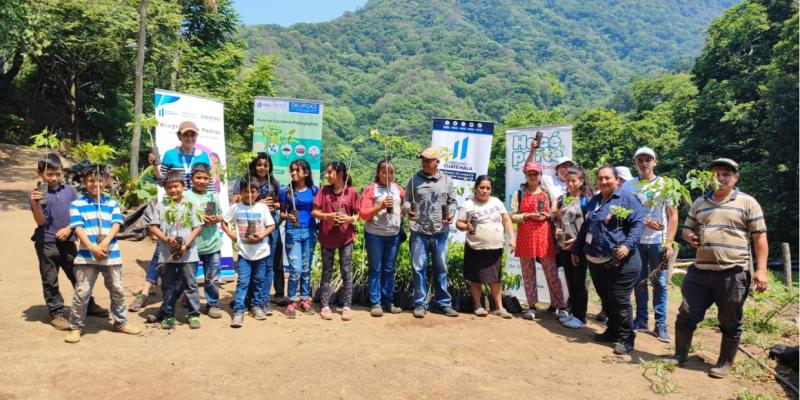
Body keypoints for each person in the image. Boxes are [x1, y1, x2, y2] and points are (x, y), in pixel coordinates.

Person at [665, 158, 768, 378]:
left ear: (735, 177)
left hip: (733, 272)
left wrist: (761, 270)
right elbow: (687, 229)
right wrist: (689, 236)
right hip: (700, 271)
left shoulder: (748, 203)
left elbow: (759, 238)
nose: (720, 179)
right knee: (686, 313)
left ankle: (724, 362)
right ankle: (680, 354)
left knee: (730, 320)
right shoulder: (699, 202)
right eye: (715, 175)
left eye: (725, 174)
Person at [130, 120, 214, 311]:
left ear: (196, 137)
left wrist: (206, 209)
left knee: (191, 252)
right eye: (186, 134)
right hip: (173, 207)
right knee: (161, 250)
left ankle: (185, 293)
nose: (189, 138)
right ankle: (145, 292)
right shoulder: (170, 155)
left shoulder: (203, 156)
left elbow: (207, 185)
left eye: (192, 134)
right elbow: (162, 181)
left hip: (193, 207)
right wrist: (155, 165)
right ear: (179, 136)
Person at [571, 165, 644, 355]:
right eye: (600, 178)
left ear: (617, 180)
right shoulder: (595, 200)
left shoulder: (627, 199)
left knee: (619, 299)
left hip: (622, 262)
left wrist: (627, 245)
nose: (603, 181)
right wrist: (576, 249)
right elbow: (586, 227)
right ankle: (613, 331)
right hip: (597, 261)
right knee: (607, 298)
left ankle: (627, 339)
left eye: (607, 178)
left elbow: (637, 225)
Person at [30, 153, 108, 330]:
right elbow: (40, 222)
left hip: (69, 240)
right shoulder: (37, 194)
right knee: (50, 278)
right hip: (46, 241)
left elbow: (78, 214)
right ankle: (56, 312)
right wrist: (35, 203)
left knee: (77, 274)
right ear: (40, 173)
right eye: (49, 174)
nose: (53, 178)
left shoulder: (70, 190)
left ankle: (88, 304)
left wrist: (69, 229)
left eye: (57, 174)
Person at [65, 166, 141, 343]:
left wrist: (105, 243)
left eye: (100, 180)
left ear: (106, 182)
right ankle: (75, 327)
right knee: (82, 292)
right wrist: (93, 247)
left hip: (111, 255)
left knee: (117, 290)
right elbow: (78, 228)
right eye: (91, 180)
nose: (95, 184)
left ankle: (121, 322)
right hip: (86, 256)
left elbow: (116, 224)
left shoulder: (112, 204)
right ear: (85, 182)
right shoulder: (77, 204)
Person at [621, 147, 678, 343]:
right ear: (635, 163)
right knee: (639, 281)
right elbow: (623, 211)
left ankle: (660, 323)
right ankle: (641, 319)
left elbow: (673, 215)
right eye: (640, 160)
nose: (644, 163)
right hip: (636, 241)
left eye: (648, 159)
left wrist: (669, 243)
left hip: (657, 242)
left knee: (659, 283)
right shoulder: (628, 186)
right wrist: (644, 221)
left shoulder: (665, 184)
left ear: (655, 162)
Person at [404, 147, 458, 318]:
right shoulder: (413, 180)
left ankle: (443, 303)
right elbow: (406, 201)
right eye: (423, 160)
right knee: (418, 268)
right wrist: (408, 210)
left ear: (437, 162)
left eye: (428, 160)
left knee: (441, 268)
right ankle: (420, 304)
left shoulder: (447, 180)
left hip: (440, 231)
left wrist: (451, 214)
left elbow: (453, 202)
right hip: (419, 231)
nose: (424, 163)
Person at [510, 161, 568, 320]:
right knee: (528, 274)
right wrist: (528, 215)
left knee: (552, 273)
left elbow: (556, 213)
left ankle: (560, 306)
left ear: (540, 175)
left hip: (544, 238)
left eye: (535, 173)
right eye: (529, 173)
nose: (532, 176)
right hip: (525, 238)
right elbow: (512, 216)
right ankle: (531, 307)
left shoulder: (547, 193)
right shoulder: (519, 194)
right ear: (525, 175)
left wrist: (547, 216)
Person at [147, 170, 204, 329]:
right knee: (168, 285)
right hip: (167, 254)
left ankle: (194, 314)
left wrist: (185, 245)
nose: (173, 190)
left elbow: (197, 227)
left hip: (188, 254)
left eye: (176, 186)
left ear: (183, 186)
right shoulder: (161, 206)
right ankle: (169, 315)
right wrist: (166, 239)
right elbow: (153, 227)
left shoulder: (190, 205)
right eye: (169, 187)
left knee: (190, 284)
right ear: (165, 189)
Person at [455, 175, 515, 318]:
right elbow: (459, 223)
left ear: (491, 190)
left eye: (488, 188)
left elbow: (507, 220)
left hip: (495, 247)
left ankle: (499, 307)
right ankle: (478, 306)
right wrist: (465, 226)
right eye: (482, 187)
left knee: (495, 279)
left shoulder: (497, 202)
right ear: (476, 188)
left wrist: (512, 238)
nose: (485, 191)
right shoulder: (468, 205)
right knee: (475, 278)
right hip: (475, 247)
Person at [233, 153, 287, 311]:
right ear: (254, 166)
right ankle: (248, 299)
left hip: (270, 227)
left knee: (268, 265)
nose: (262, 168)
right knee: (250, 263)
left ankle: (263, 301)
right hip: (250, 227)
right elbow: (235, 200)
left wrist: (274, 206)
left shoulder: (274, 182)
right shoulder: (246, 180)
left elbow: (280, 203)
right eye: (259, 165)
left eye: (265, 165)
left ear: (270, 167)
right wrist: (258, 203)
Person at [222, 177, 276, 328]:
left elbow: (271, 225)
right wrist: (231, 235)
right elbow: (224, 221)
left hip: (261, 253)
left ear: (258, 192)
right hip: (244, 254)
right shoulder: (236, 207)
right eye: (246, 191)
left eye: (253, 191)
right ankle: (239, 311)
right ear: (241, 192)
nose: (249, 195)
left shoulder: (262, 208)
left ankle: (255, 306)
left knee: (259, 280)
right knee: (243, 282)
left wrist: (262, 235)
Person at [312, 161, 360, 321]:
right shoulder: (323, 191)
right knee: (327, 271)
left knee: (346, 271)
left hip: (346, 238)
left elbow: (358, 214)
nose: (326, 175)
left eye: (329, 172)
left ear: (339, 174)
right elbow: (314, 212)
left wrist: (349, 218)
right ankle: (325, 306)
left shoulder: (351, 192)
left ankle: (347, 306)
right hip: (327, 237)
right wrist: (328, 216)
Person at [360, 159, 405, 317]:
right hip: (375, 235)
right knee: (376, 269)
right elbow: (363, 214)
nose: (389, 175)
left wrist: (404, 212)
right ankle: (376, 302)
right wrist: (380, 206)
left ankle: (389, 301)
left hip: (393, 235)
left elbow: (403, 205)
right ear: (378, 173)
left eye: (392, 172)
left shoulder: (398, 189)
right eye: (385, 172)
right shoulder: (371, 190)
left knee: (389, 269)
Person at [183, 163, 224, 319]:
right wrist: (199, 218)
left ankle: (213, 304)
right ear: (191, 178)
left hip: (212, 244)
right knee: (190, 278)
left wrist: (215, 219)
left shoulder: (212, 196)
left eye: (205, 178)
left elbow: (221, 215)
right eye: (198, 177)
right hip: (192, 245)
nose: (202, 181)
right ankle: (191, 304)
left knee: (212, 278)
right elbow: (181, 218)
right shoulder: (185, 196)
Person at [555, 165, 593, 329]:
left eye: (573, 181)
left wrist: (576, 242)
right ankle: (572, 312)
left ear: (581, 181)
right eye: (567, 181)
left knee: (579, 282)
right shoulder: (562, 199)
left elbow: (590, 225)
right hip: (564, 246)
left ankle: (580, 317)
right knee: (570, 280)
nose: (570, 184)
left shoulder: (587, 200)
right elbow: (559, 219)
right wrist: (557, 230)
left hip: (580, 248)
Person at [279, 159, 318, 318]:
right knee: (295, 269)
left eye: (297, 170)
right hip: (292, 232)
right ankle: (291, 301)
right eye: (292, 170)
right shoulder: (285, 191)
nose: (293, 173)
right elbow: (281, 213)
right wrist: (286, 216)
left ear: (306, 173)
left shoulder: (314, 190)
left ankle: (305, 299)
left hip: (310, 231)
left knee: (306, 268)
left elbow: (318, 210)